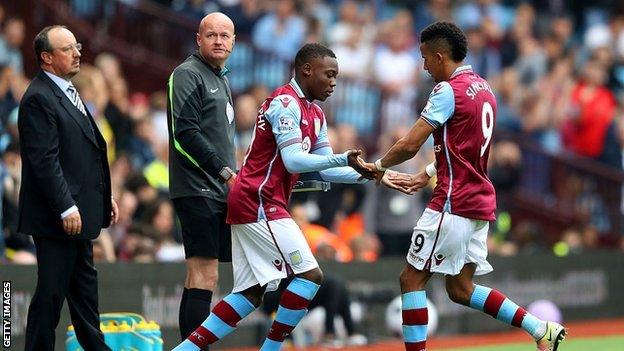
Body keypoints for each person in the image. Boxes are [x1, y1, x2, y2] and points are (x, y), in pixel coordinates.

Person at [173, 43, 400, 351]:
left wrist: (376, 175)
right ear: (307, 70)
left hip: (259, 202)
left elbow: (324, 169)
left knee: (250, 293)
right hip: (258, 199)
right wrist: (342, 159)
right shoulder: (285, 103)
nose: (334, 82)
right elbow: (294, 161)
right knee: (310, 275)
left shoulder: (315, 113)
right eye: (329, 75)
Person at [357, 22, 566, 351]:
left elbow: (411, 143)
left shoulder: (446, 91)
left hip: (452, 202)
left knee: (411, 279)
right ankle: (540, 328)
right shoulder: (484, 88)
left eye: (425, 58)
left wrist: (377, 166)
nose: (423, 65)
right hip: (480, 202)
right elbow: (468, 148)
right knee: (460, 288)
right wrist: (427, 172)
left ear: (440, 57)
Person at [18, 25, 118, 350]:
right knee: (50, 298)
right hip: (58, 218)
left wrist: (105, 197)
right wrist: (65, 205)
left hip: (78, 215)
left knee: (85, 301)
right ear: (46, 58)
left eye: (76, 45)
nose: (77, 52)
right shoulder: (38, 98)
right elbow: (44, 161)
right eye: (67, 49)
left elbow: (83, 154)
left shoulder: (68, 91)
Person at [167, 12, 238, 342]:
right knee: (203, 273)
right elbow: (185, 134)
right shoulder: (186, 74)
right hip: (197, 188)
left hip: (218, 190)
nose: (219, 41)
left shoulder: (220, 77)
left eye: (225, 36)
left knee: (203, 276)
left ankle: (190, 347)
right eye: (211, 35)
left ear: (234, 42)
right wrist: (224, 172)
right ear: (198, 39)